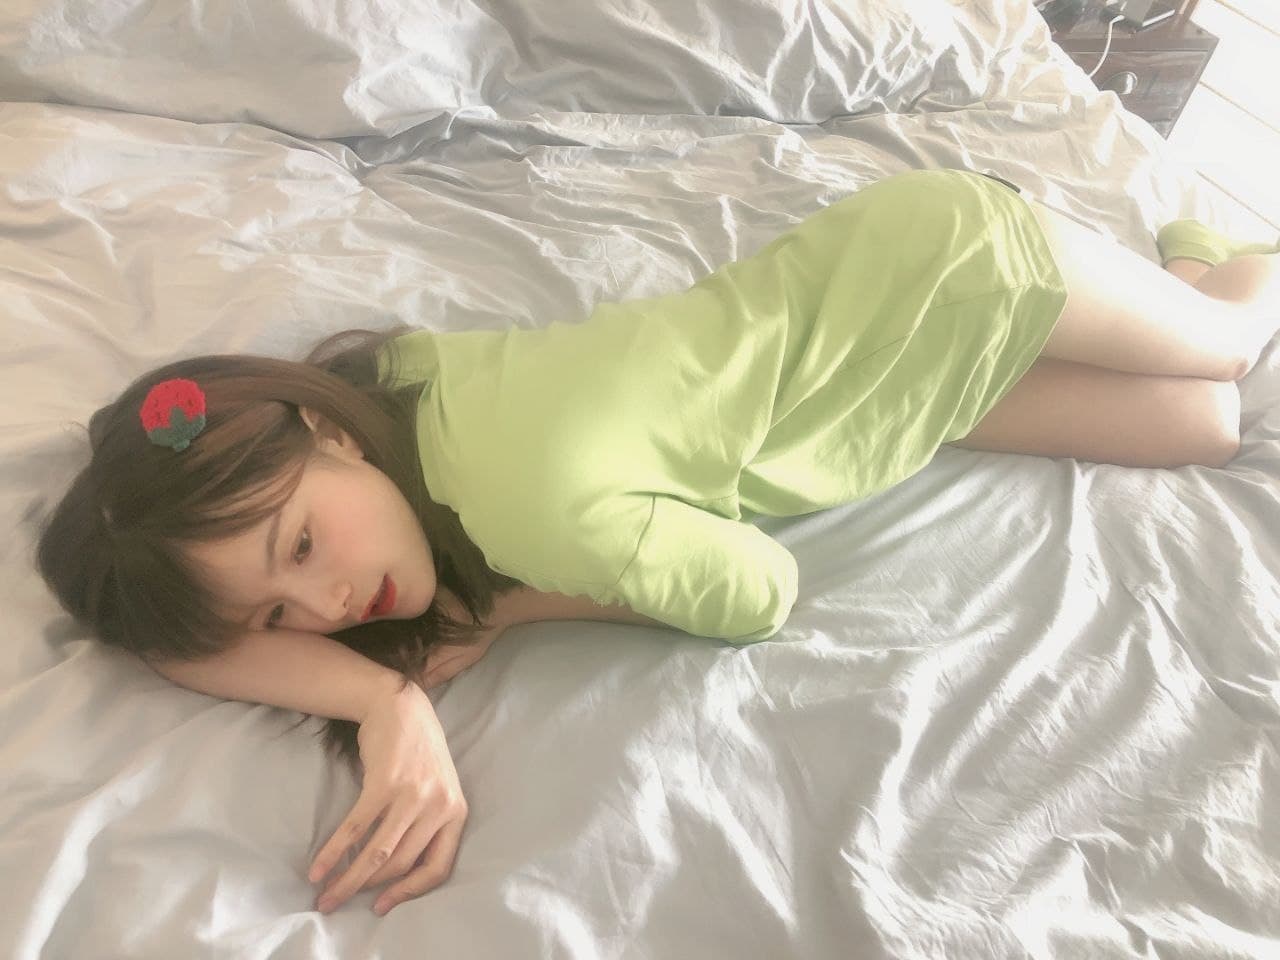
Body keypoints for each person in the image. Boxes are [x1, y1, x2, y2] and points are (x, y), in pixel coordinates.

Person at [33, 168, 1280, 918]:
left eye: (301, 546)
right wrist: (380, 703)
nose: (327, 609)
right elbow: (178, 644)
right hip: (877, 384)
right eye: (277, 615)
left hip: (950, 271)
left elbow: (761, 592)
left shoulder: (539, 511)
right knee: (1201, 431)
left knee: (1227, 354)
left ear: (325, 438)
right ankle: (1179, 263)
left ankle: (1234, 256)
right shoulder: (392, 388)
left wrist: (511, 606)